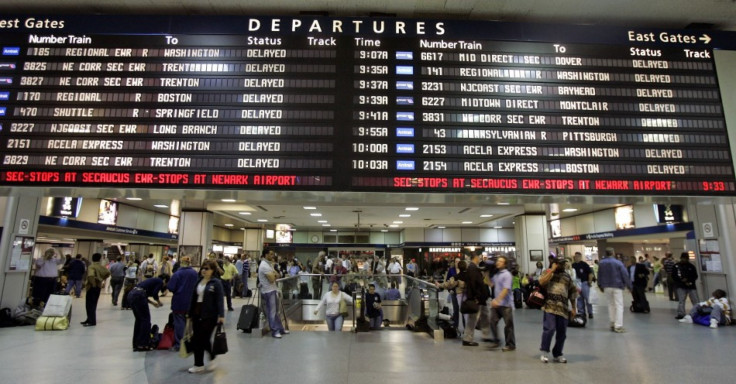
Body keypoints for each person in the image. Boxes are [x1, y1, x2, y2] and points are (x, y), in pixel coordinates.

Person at [188, 260, 225, 373]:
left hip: (210, 315)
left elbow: (220, 300)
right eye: (203, 268)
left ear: (213, 270)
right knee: (197, 339)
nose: (204, 270)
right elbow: (193, 298)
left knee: (203, 338)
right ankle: (199, 364)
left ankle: (210, 358)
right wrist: (189, 314)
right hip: (197, 313)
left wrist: (221, 315)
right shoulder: (198, 281)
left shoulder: (216, 283)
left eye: (207, 268)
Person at [538, 258, 577, 363]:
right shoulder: (548, 273)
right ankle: (544, 352)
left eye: (564, 264)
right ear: (554, 264)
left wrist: (574, 307)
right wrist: (552, 270)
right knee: (549, 329)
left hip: (563, 308)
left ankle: (558, 353)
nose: (563, 266)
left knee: (562, 333)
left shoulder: (567, 276)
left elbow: (572, 292)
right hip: (550, 306)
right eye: (560, 264)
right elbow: (541, 282)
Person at [167, 256, 198, 351]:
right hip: (192, 302)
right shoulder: (195, 273)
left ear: (181, 263)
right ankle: (191, 343)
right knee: (191, 324)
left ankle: (180, 345)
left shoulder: (177, 274)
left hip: (179, 302)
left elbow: (171, 287)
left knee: (179, 323)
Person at [597, 247, 631, 333]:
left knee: (610, 304)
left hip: (606, 286)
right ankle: (618, 325)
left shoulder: (601, 263)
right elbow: (625, 274)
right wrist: (629, 286)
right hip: (617, 286)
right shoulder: (618, 263)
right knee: (619, 305)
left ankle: (612, 322)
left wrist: (600, 285)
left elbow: (599, 274)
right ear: (613, 252)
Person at [487, 255, 515, 351]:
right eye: (498, 261)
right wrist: (485, 273)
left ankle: (510, 344)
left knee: (508, 325)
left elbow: (506, 289)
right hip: (497, 304)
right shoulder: (497, 274)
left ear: (505, 264)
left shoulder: (507, 275)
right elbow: (490, 284)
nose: (498, 262)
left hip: (505, 304)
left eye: (501, 261)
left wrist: (497, 300)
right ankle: (496, 340)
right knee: (492, 321)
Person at [258, 251, 289, 338]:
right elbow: (272, 279)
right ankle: (275, 331)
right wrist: (274, 275)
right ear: (266, 255)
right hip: (268, 291)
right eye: (271, 254)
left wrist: (274, 275)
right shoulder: (264, 265)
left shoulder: (269, 265)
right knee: (271, 312)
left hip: (272, 290)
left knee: (275, 312)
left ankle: (280, 329)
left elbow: (278, 275)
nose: (273, 256)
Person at [128, 277, 164, 351]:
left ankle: (136, 344)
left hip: (131, 294)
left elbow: (142, 293)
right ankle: (143, 344)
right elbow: (154, 294)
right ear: (165, 280)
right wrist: (159, 302)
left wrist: (153, 303)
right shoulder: (160, 281)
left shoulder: (150, 281)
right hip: (139, 295)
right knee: (145, 321)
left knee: (139, 320)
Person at [460, 254, 488, 347]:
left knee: (481, 316)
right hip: (475, 298)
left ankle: (486, 334)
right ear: (475, 258)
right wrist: (476, 297)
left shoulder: (472, 268)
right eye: (479, 257)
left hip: (477, 297)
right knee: (473, 318)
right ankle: (467, 339)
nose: (480, 258)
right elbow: (473, 284)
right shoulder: (472, 269)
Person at [81, 253, 110, 327]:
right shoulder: (101, 266)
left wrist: (93, 284)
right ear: (99, 259)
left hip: (91, 287)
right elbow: (108, 273)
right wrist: (101, 279)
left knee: (89, 304)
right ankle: (89, 319)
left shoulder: (92, 266)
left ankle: (91, 321)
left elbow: (91, 276)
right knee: (94, 304)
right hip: (98, 286)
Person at [673, 252, 699, 320]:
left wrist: (688, 280)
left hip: (691, 285)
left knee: (695, 300)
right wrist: (681, 280)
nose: (684, 260)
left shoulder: (691, 266)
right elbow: (674, 276)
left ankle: (697, 312)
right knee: (681, 300)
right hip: (681, 286)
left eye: (686, 258)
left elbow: (695, 276)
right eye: (683, 258)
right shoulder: (676, 266)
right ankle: (681, 313)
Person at [571, 252, 594, 318]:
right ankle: (581, 312)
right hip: (577, 283)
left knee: (587, 298)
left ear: (580, 257)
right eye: (575, 256)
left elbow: (590, 273)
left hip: (584, 282)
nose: (576, 257)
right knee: (579, 298)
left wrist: (589, 281)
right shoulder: (573, 265)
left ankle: (590, 312)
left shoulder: (584, 264)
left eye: (578, 256)